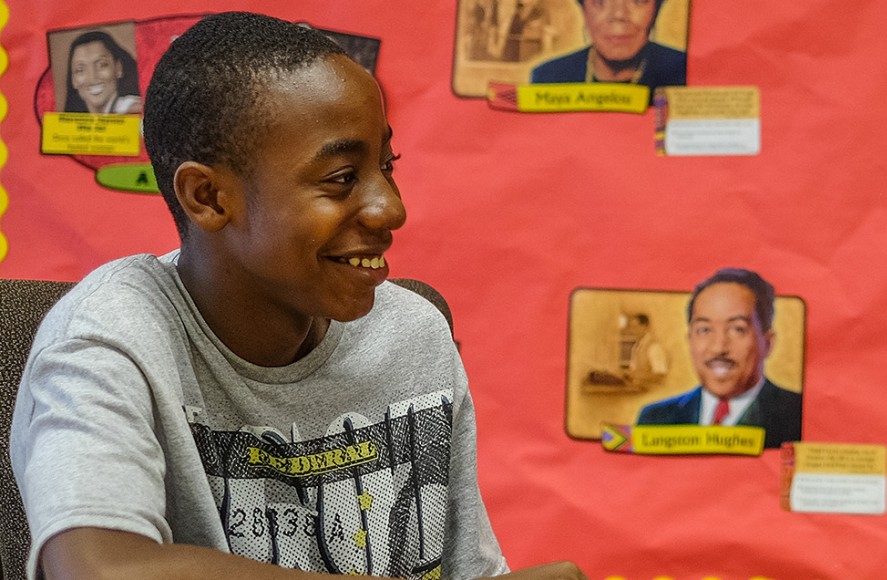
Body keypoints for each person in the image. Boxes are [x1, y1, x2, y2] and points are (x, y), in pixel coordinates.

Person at [11, 12, 585, 580]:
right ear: (208, 197)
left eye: (388, 166)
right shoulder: (110, 338)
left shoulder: (412, 332)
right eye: (341, 177)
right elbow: (101, 569)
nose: (391, 208)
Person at [636, 268, 802, 449]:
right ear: (690, 341)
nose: (718, 348)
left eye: (737, 329)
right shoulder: (655, 419)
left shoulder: (798, 416)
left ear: (768, 343)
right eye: (704, 330)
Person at [529, 0, 685, 92]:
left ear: (656, 10)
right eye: (600, 1)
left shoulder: (684, 72)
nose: (619, 15)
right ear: (584, 11)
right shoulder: (549, 78)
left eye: (637, 0)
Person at [62, 30, 142, 114]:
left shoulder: (132, 109)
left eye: (102, 65)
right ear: (73, 80)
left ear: (118, 68)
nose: (92, 78)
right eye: (80, 70)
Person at [623, 313, 667, 388]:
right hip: (637, 391)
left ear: (645, 327)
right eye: (631, 327)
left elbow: (660, 376)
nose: (632, 330)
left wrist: (637, 376)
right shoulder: (636, 347)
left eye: (635, 327)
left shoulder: (654, 347)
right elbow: (633, 371)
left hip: (651, 393)